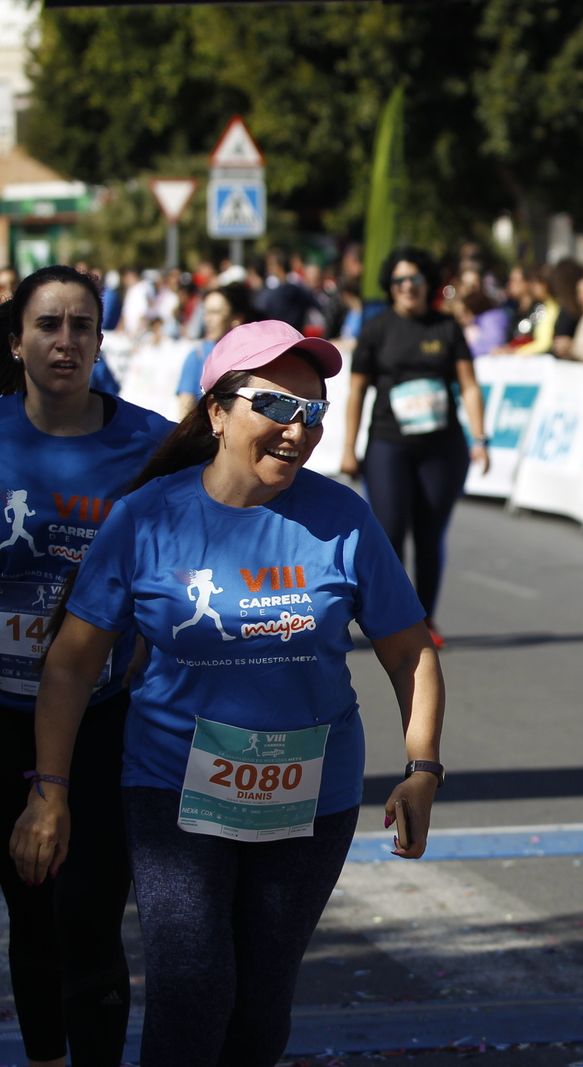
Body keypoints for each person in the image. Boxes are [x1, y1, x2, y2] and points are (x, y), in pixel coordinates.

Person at [10, 319, 445, 1067]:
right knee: (192, 982)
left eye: (313, 412)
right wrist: (49, 788)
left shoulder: (342, 518)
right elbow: (73, 665)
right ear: (217, 411)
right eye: (275, 406)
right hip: (174, 791)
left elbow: (412, 654)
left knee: (262, 996)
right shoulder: (146, 518)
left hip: (310, 797)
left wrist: (423, 767)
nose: (296, 430)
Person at [0, 266, 172, 1066]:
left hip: (104, 720)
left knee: (90, 914)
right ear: (16, 341)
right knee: (28, 913)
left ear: (101, 340)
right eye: (47, 325)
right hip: (1, 716)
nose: (64, 341)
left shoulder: (148, 443)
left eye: (80, 326)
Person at [341, 247, 490, 648]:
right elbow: (356, 392)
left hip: (441, 448)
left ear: (428, 284)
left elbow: (469, 385)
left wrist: (479, 438)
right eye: (399, 281)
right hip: (390, 443)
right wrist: (348, 448)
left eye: (415, 280)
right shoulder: (375, 329)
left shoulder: (445, 327)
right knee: (389, 533)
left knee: (430, 534)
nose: (407, 287)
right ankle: (389, 620)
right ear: (390, 288)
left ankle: (425, 621)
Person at [176, 282, 254, 418]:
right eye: (205, 312)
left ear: (236, 318)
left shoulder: (251, 357)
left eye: (215, 312)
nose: (207, 319)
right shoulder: (197, 356)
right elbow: (184, 412)